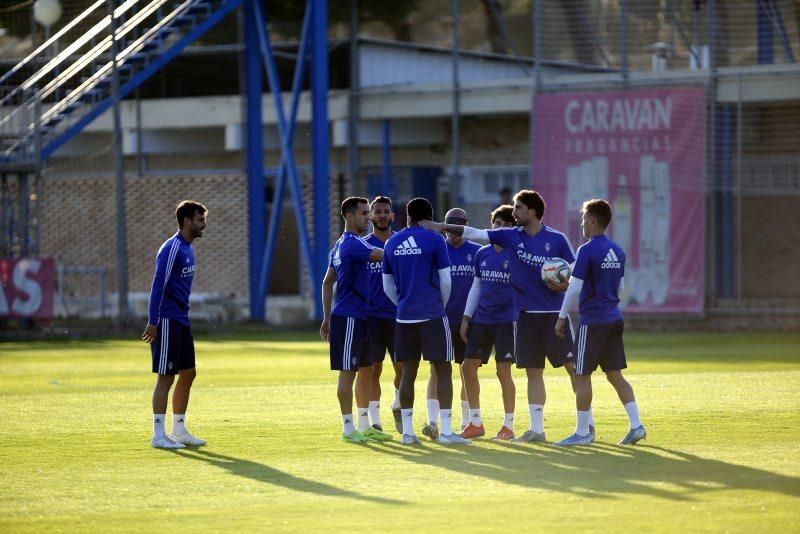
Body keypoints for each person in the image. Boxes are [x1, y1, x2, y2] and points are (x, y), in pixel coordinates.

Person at [421, 190, 588, 443]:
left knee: (572, 368)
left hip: (553, 313)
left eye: (518, 207)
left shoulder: (556, 239)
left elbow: (575, 271)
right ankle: (536, 429)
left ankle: (587, 425)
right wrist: (440, 226)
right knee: (533, 372)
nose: (514, 212)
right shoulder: (511, 236)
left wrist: (564, 283)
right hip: (525, 316)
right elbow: (475, 233)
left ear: (532, 211)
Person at [554, 199, 646, 446]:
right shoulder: (618, 250)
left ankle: (582, 433)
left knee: (581, 374)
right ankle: (637, 425)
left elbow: (573, 289)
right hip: (614, 318)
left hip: (593, 322)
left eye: (584, 218)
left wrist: (562, 317)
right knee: (615, 375)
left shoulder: (586, 250)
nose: (582, 223)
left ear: (592, 220)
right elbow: (620, 287)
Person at [382, 197, 470, 445]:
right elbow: (446, 281)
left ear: (406, 216)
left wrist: (402, 304)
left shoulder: (392, 242)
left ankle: (408, 434)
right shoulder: (435, 239)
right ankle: (446, 432)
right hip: (432, 314)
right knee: (443, 369)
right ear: (429, 217)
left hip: (405, 316)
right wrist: (439, 306)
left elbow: (387, 284)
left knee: (409, 370)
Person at [320, 197, 391, 443]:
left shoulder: (340, 245)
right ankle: (348, 428)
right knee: (347, 373)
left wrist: (327, 316)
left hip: (357, 317)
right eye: (364, 213)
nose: (368, 217)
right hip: (349, 317)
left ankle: (364, 424)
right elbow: (384, 255)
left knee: (367, 369)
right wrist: (410, 251)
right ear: (349, 216)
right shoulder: (352, 244)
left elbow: (327, 282)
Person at [142, 200, 208, 449]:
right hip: (167, 320)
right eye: (201, 219)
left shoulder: (188, 248)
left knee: (189, 373)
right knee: (166, 377)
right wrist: (153, 321)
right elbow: (158, 284)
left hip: (182, 319)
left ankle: (179, 430)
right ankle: (158, 435)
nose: (205, 224)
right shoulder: (172, 249)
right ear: (187, 221)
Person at [460, 205, 517, 440]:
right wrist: (466, 318)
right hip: (482, 319)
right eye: (497, 223)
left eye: (506, 224)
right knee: (467, 367)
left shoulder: (516, 254)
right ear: (491, 225)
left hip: (507, 320)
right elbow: (476, 286)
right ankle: (475, 423)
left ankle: (508, 426)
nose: (500, 227)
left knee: (503, 371)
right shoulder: (482, 253)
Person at [424, 208, 481, 440]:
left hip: (469, 321)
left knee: (467, 371)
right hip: (442, 320)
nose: (452, 232)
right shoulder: (437, 250)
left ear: (465, 226)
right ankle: (432, 422)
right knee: (436, 369)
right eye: (448, 225)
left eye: (457, 226)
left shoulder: (476, 252)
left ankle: (467, 422)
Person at [364, 196, 403, 433]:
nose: (381, 215)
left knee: (402, 367)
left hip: (399, 315)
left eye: (385, 211)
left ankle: (398, 403)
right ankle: (375, 421)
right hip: (371, 316)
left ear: (392, 216)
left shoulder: (401, 243)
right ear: (370, 216)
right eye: (376, 211)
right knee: (374, 369)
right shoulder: (363, 245)